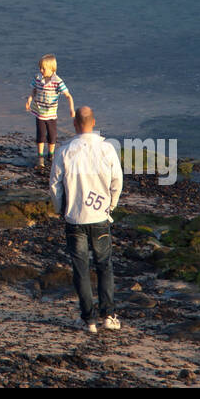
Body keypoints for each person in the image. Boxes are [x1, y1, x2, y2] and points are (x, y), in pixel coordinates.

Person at [49, 106, 123, 334]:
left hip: (75, 217)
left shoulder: (64, 151)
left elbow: (54, 186)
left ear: (75, 124)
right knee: (104, 266)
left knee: (80, 269)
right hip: (99, 216)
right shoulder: (107, 149)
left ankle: (89, 320)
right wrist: (110, 206)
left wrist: (60, 208)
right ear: (94, 122)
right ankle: (108, 315)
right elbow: (117, 182)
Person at [25, 53, 75, 173]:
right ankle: (40, 157)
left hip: (52, 114)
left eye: (43, 68)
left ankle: (51, 155)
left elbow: (68, 95)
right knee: (41, 135)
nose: (41, 70)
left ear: (52, 69)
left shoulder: (57, 82)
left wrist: (71, 109)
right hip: (39, 113)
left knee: (52, 136)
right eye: (40, 68)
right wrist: (29, 100)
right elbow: (34, 91)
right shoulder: (38, 78)